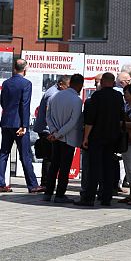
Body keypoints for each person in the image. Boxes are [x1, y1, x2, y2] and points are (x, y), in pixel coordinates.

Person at [75, 72, 124, 207]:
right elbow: (121, 117)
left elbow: (90, 120)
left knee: (94, 168)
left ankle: (89, 197)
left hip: (97, 137)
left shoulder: (97, 96)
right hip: (113, 137)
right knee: (108, 167)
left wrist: (85, 138)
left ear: (102, 82)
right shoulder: (118, 96)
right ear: (113, 82)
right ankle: (106, 197)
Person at [0, 59, 43, 193]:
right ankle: (32, 185)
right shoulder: (26, 83)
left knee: (4, 153)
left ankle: (0, 184)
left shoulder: (6, 83)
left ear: (14, 68)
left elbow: (2, 102)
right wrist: (24, 125)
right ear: (25, 69)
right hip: (19, 124)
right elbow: (25, 104)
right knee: (25, 155)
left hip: (6, 122)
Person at [43, 74, 84, 204]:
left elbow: (48, 116)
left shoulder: (56, 96)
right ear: (80, 85)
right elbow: (73, 121)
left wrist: (53, 131)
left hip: (56, 137)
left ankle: (48, 193)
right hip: (68, 138)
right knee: (64, 168)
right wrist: (59, 134)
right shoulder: (77, 100)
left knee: (54, 165)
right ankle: (60, 194)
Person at [33, 75, 70, 187]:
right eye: (67, 86)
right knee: (49, 157)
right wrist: (53, 131)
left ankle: (47, 183)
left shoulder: (55, 92)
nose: (69, 89)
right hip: (47, 130)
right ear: (60, 84)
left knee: (50, 156)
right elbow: (50, 113)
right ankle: (46, 183)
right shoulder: (53, 94)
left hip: (49, 129)